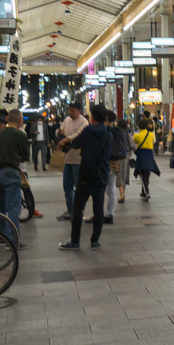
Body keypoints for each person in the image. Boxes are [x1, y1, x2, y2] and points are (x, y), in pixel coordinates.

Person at [60, 103, 112, 251]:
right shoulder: (109, 134)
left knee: (78, 209)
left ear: (92, 117)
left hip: (85, 176)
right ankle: (95, 240)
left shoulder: (88, 131)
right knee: (98, 209)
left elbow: (75, 144)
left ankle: (75, 241)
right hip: (101, 177)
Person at [0, 110, 30, 248]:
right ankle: (12, 242)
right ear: (20, 121)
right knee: (13, 207)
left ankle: (1, 238)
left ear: (7, 119)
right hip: (10, 171)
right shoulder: (20, 135)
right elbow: (25, 155)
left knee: (0, 205)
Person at [55, 103, 88, 221]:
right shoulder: (67, 120)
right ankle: (70, 210)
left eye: (72, 110)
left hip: (78, 160)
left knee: (78, 186)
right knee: (67, 186)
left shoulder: (83, 122)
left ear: (79, 110)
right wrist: (58, 132)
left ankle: (79, 210)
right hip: (67, 158)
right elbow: (60, 130)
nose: (70, 112)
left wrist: (66, 139)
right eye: (69, 110)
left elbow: (79, 135)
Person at [133, 121, 160, 200]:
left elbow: (135, 142)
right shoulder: (151, 134)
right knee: (147, 174)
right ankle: (144, 191)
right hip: (149, 155)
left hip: (141, 155)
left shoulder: (137, 135)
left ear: (139, 127)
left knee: (143, 174)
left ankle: (146, 192)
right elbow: (154, 141)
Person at [115, 119, 131, 203]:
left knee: (119, 174)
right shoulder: (127, 134)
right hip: (126, 156)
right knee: (124, 174)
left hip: (117, 156)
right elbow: (132, 145)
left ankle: (121, 195)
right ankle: (123, 195)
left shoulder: (115, 133)